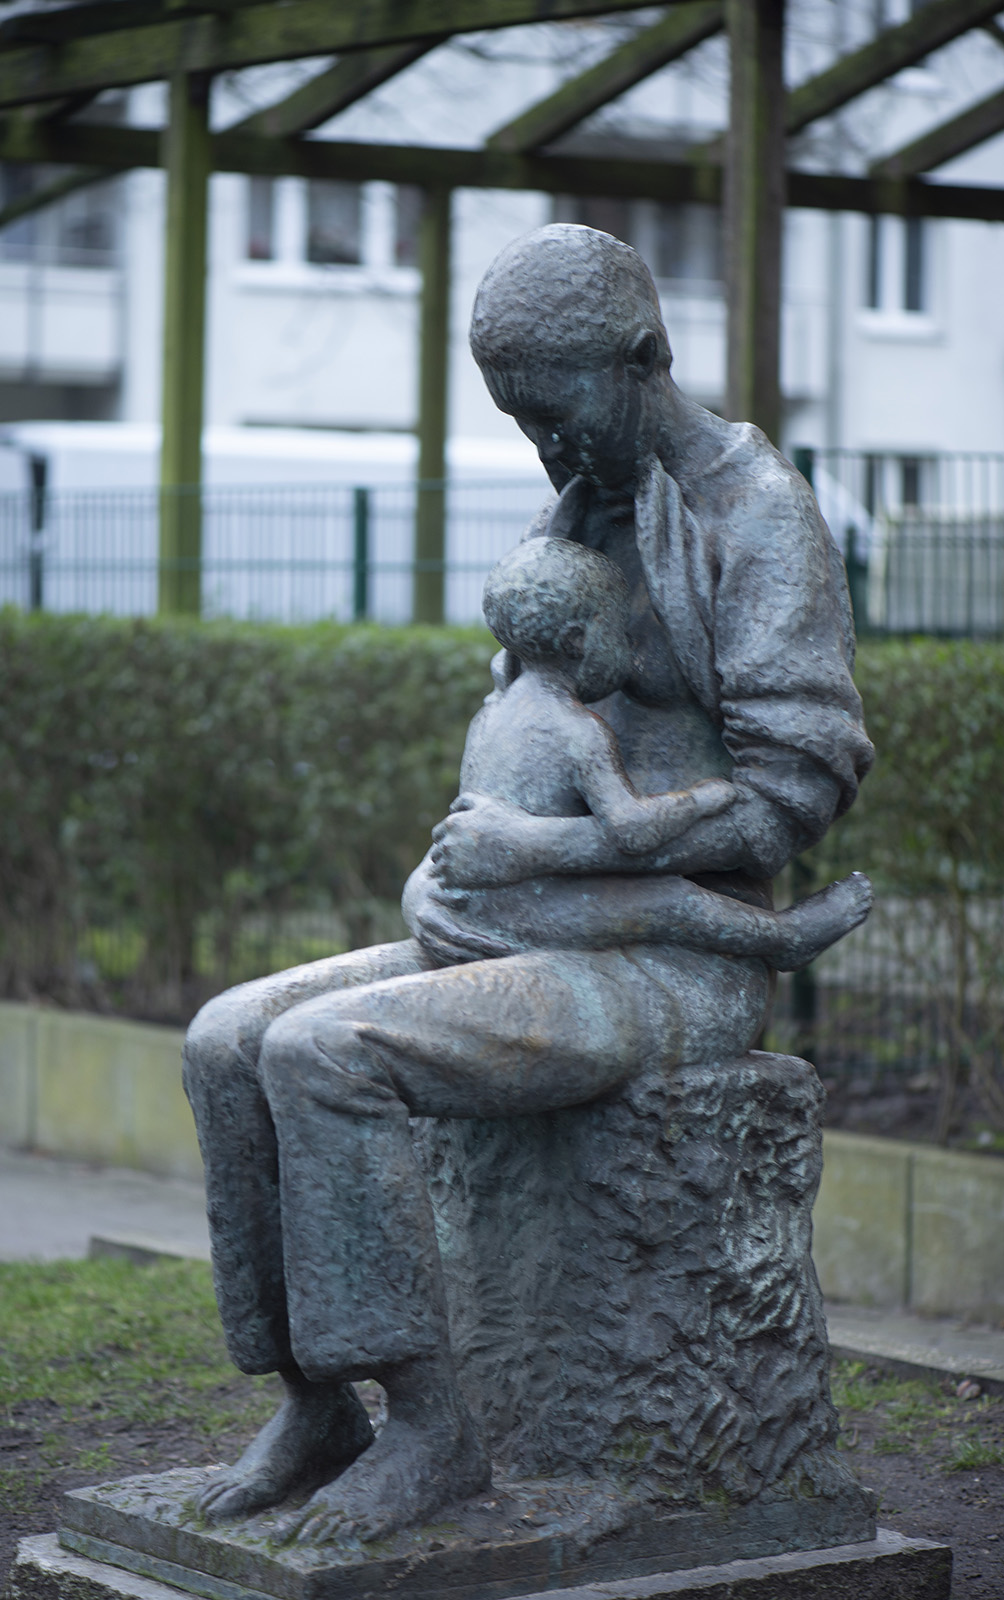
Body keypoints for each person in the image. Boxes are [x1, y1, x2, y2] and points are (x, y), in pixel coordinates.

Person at [182, 224, 875, 1548]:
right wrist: (456, 870)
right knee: (227, 1042)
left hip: (675, 968)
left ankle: (438, 1435)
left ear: (643, 359)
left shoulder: (757, 517)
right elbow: (516, 759)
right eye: (522, 428)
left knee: (330, 1054)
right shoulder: (579, 510)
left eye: (557, 420)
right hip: (525, 933)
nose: (546, 455)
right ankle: (319, 1402)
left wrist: (558, 855)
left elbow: (792, 799)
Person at [464, 533, 872, 971]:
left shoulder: (489, 717)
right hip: (534, 907)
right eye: (620, 630)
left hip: (478, 896)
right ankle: (787, 937)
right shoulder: (580, 731)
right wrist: (701, 799)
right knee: (673, 901)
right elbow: (631, 831)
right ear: (576, 641)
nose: (631, 647)